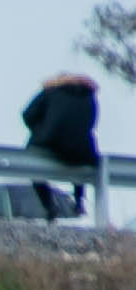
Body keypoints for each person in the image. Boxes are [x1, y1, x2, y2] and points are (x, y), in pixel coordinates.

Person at [22, 72, 100, 220]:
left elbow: (28, 115)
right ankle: (78, 200)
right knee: (79, 167)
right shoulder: (89, 97)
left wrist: (41, 129)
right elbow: (92, 122)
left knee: (31, 163)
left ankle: (48, 205)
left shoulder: (50, 92)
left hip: (51, 143)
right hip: (84, 150)